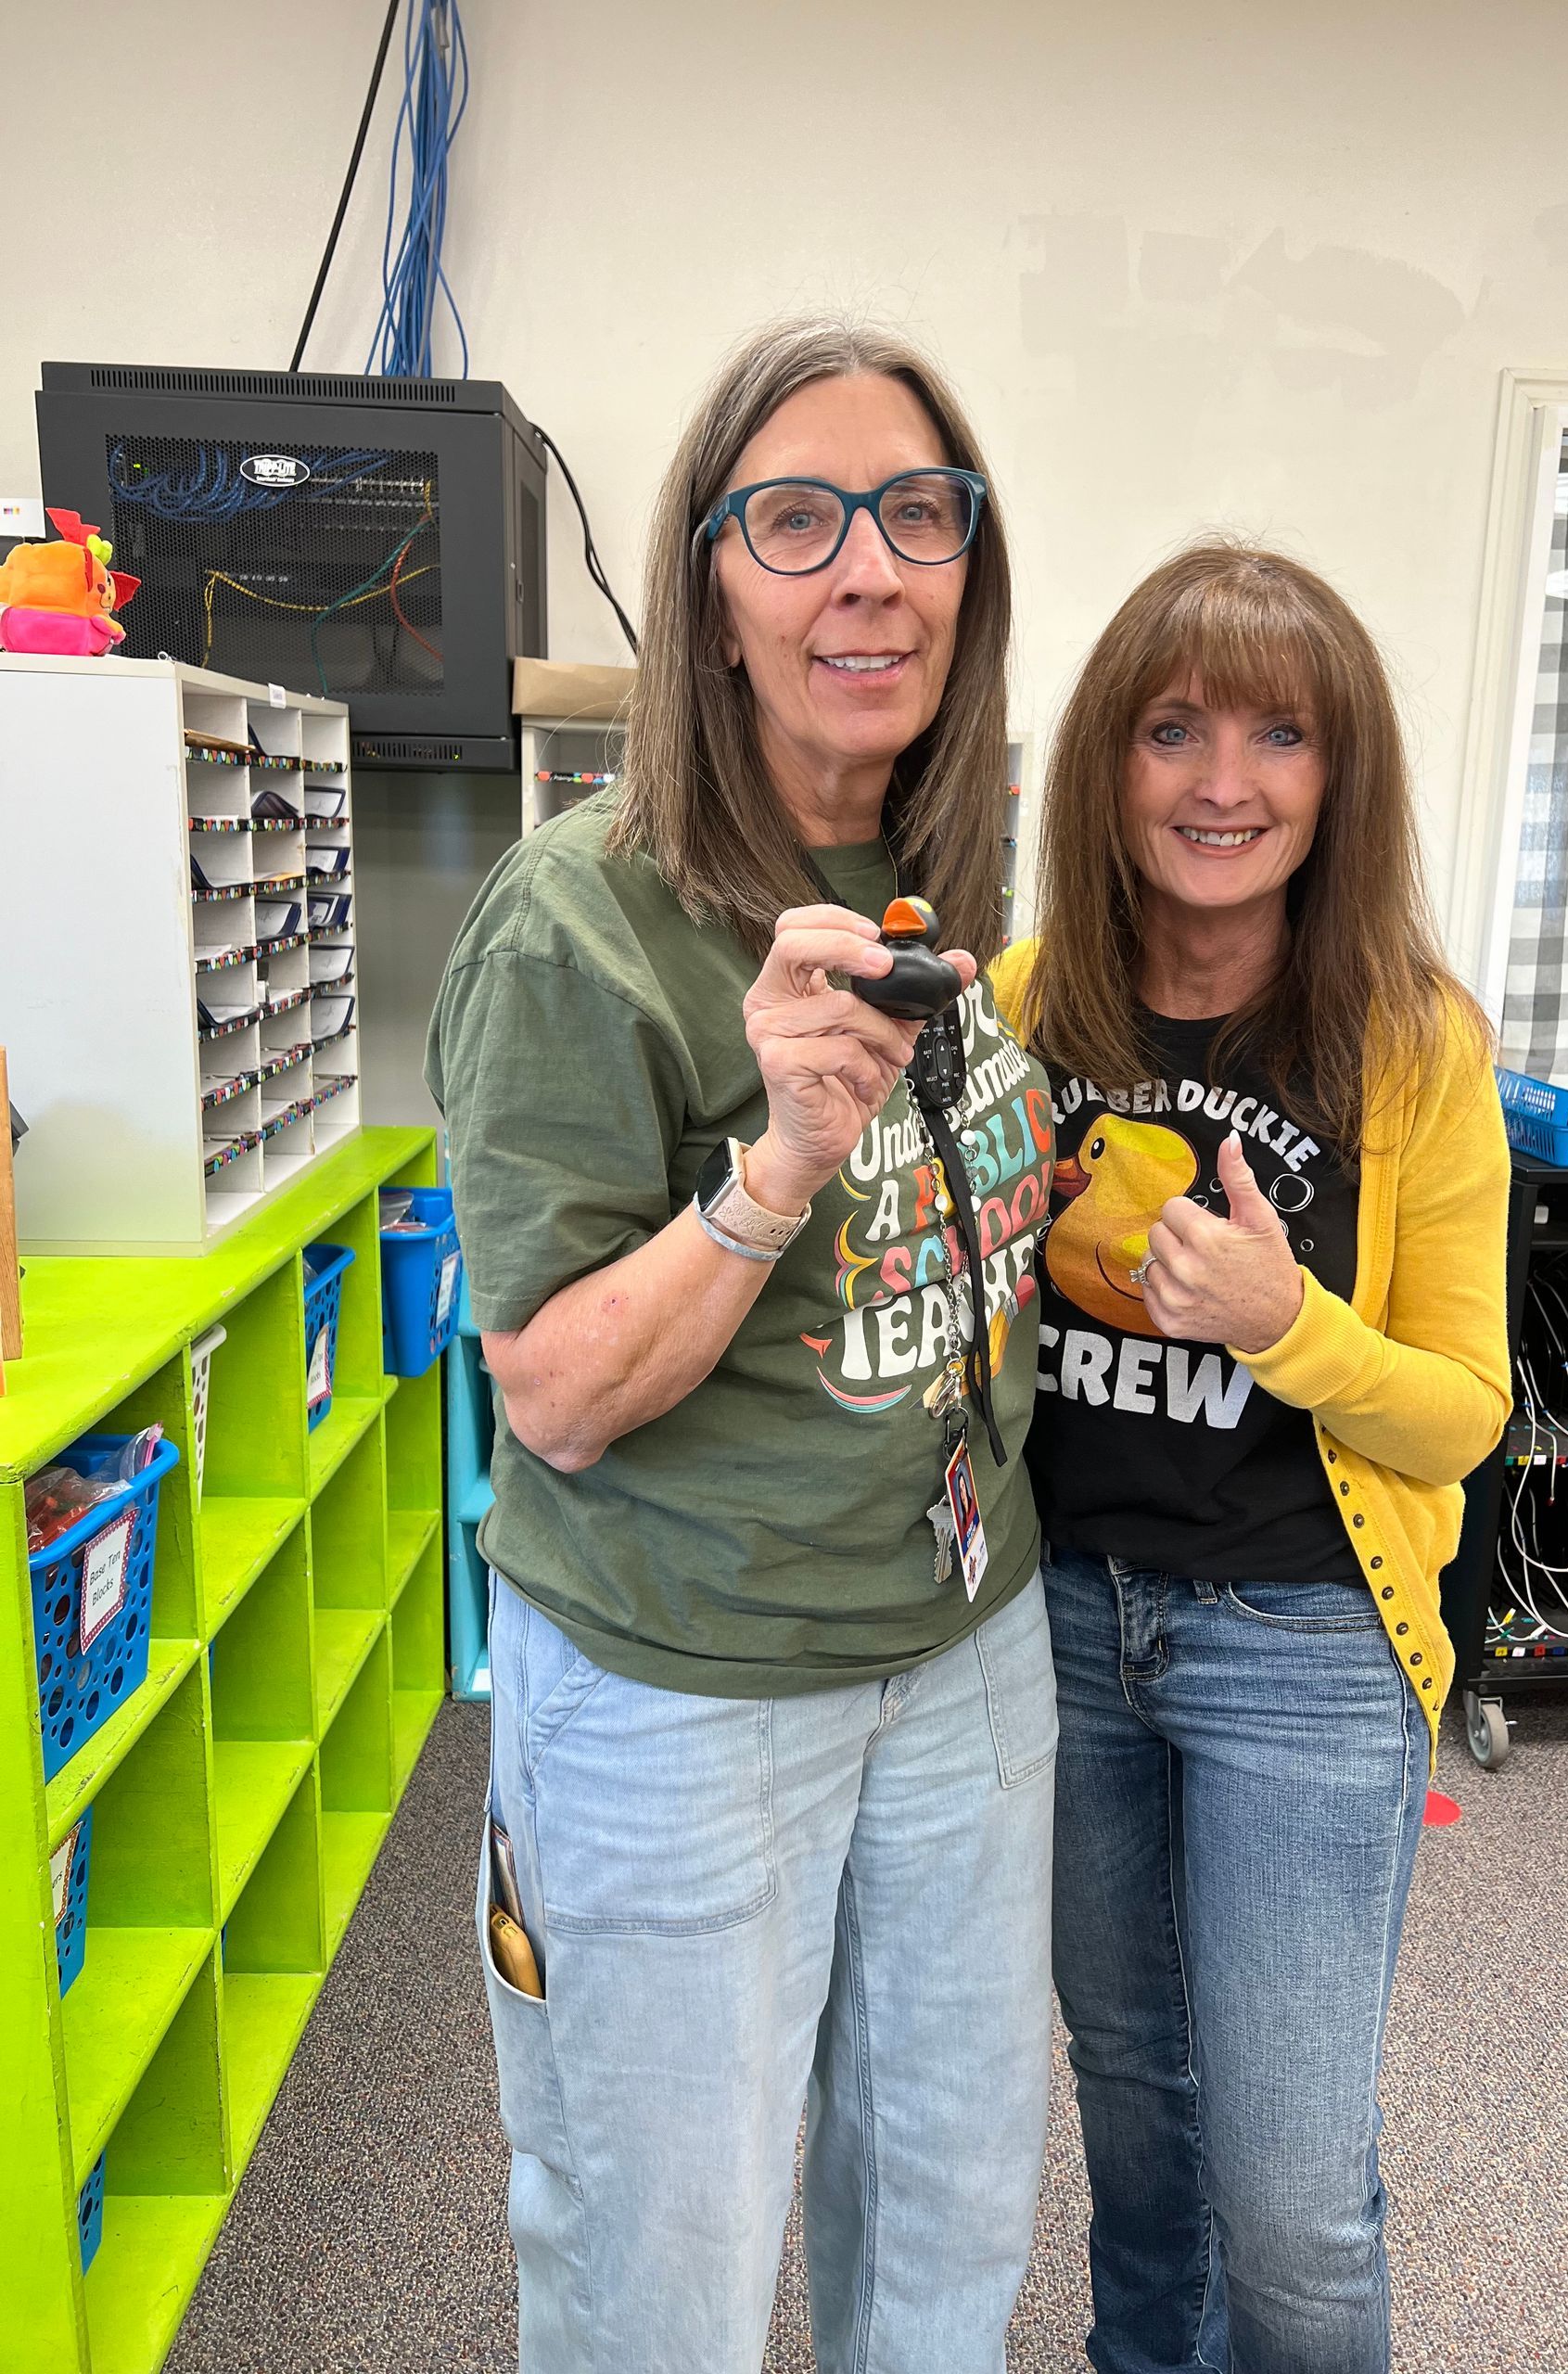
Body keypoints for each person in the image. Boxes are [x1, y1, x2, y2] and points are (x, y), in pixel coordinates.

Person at [426, 320, 1057, 2374]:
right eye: (795, 517)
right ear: (707, 582)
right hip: (685, 1694)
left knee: (949, 2216)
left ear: (971, 570)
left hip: (966, 1646)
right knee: (657, 2271)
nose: (866, 566)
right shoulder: (578, 919)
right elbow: (559, 1395)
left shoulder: (954, 867)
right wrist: (775, 1161)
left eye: (916, 513)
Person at [994, 542, 1511, 2374]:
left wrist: (1283, 1322)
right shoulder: (1027, 995)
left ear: (1337, 773)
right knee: (1134, 2110)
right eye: (1173, 728)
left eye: (1281, 733)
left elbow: (1464, 1406)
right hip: (1056, 1625)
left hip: (1302, 1644)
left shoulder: (1417, 1039)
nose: (1225, 781)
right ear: (1106, 767)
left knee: (1291, 2192)